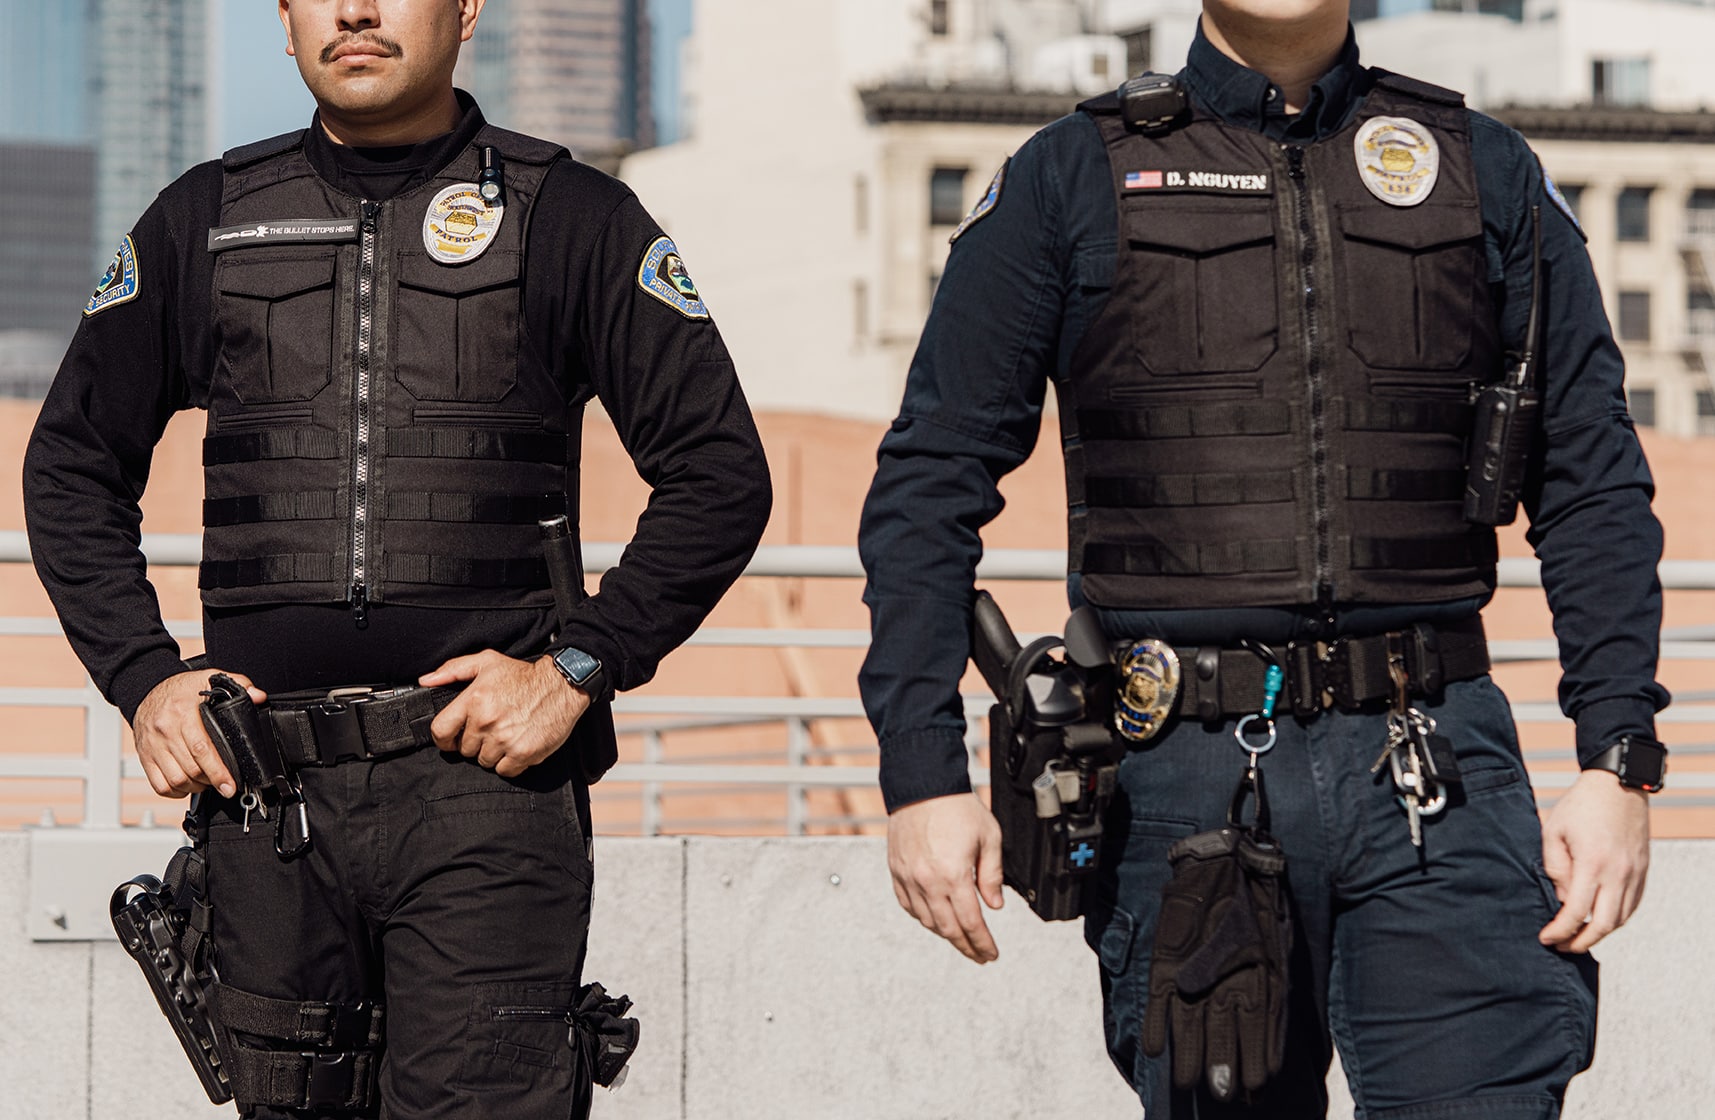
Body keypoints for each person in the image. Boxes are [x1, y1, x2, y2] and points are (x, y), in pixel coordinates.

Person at [858, 1, 1668, 1115]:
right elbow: (928, 481)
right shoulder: (1069, 174)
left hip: (1436, 761)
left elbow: (1591, 480)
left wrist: (1614, 753)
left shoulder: (1484, 170)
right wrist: (921, 770)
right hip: (1182, 777)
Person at [24, 1, 770, 1116]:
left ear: (466, 9)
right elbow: (71, 464)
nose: (357, 11)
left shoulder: (570, 214)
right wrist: (143, 679)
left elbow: (719, 470)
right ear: (283, 21)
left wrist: (581, 666)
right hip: (268, 800)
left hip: (486, 800)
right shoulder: (206, 218)